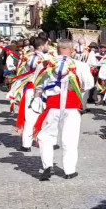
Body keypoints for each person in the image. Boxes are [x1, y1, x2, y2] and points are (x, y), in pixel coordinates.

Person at [33, 39, 95, 181]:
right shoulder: (80, 65)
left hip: (52, 106)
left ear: (57, 50)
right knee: (70, 138)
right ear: (72, 50)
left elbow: (37, 83)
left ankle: (47, 166)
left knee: (46, 137)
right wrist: (79, 88)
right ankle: (69, 170)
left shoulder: (46, 64)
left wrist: (37, 99)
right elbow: (89, 84)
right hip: (72, 106)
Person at [9, 37, 49, 152]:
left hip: (29, 89)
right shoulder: (45, 59)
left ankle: (27, 144)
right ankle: (39, 141)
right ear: (42, 46)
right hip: (39, 90)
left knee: (30, 117)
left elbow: (20, 72)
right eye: (46, 44)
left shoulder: (27, 56)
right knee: (39, 117)